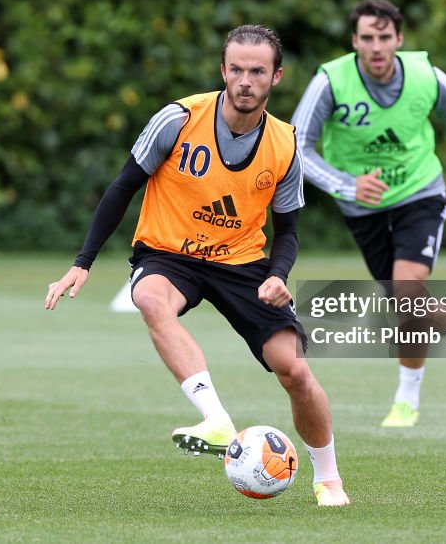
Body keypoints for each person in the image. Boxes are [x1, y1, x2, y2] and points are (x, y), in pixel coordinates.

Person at [45, 25, 350, 507]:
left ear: (277, 77)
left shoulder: (285, 144)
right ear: (223, 71)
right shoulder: (178, 118)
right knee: (148, 297)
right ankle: (216, 419)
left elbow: (288, 230)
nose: (245, 80)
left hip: (241, 261)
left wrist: (277, 275)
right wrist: (83, 262)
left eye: (257, 71)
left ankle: (329, 479)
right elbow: (123, 186)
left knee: (294, 371)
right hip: (169, 252)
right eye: (237, 69)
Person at [291, 0, 446, 428]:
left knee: (406, 289)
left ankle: (407, 398)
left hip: (418, 192)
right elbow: (297, 147)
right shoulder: (330, 81)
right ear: (355, 42)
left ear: (399, 40)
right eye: (367, 38)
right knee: (406, 303)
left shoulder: (426, 76)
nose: (377, 46)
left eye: (385, 37)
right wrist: (348, 185)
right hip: (361, 207)